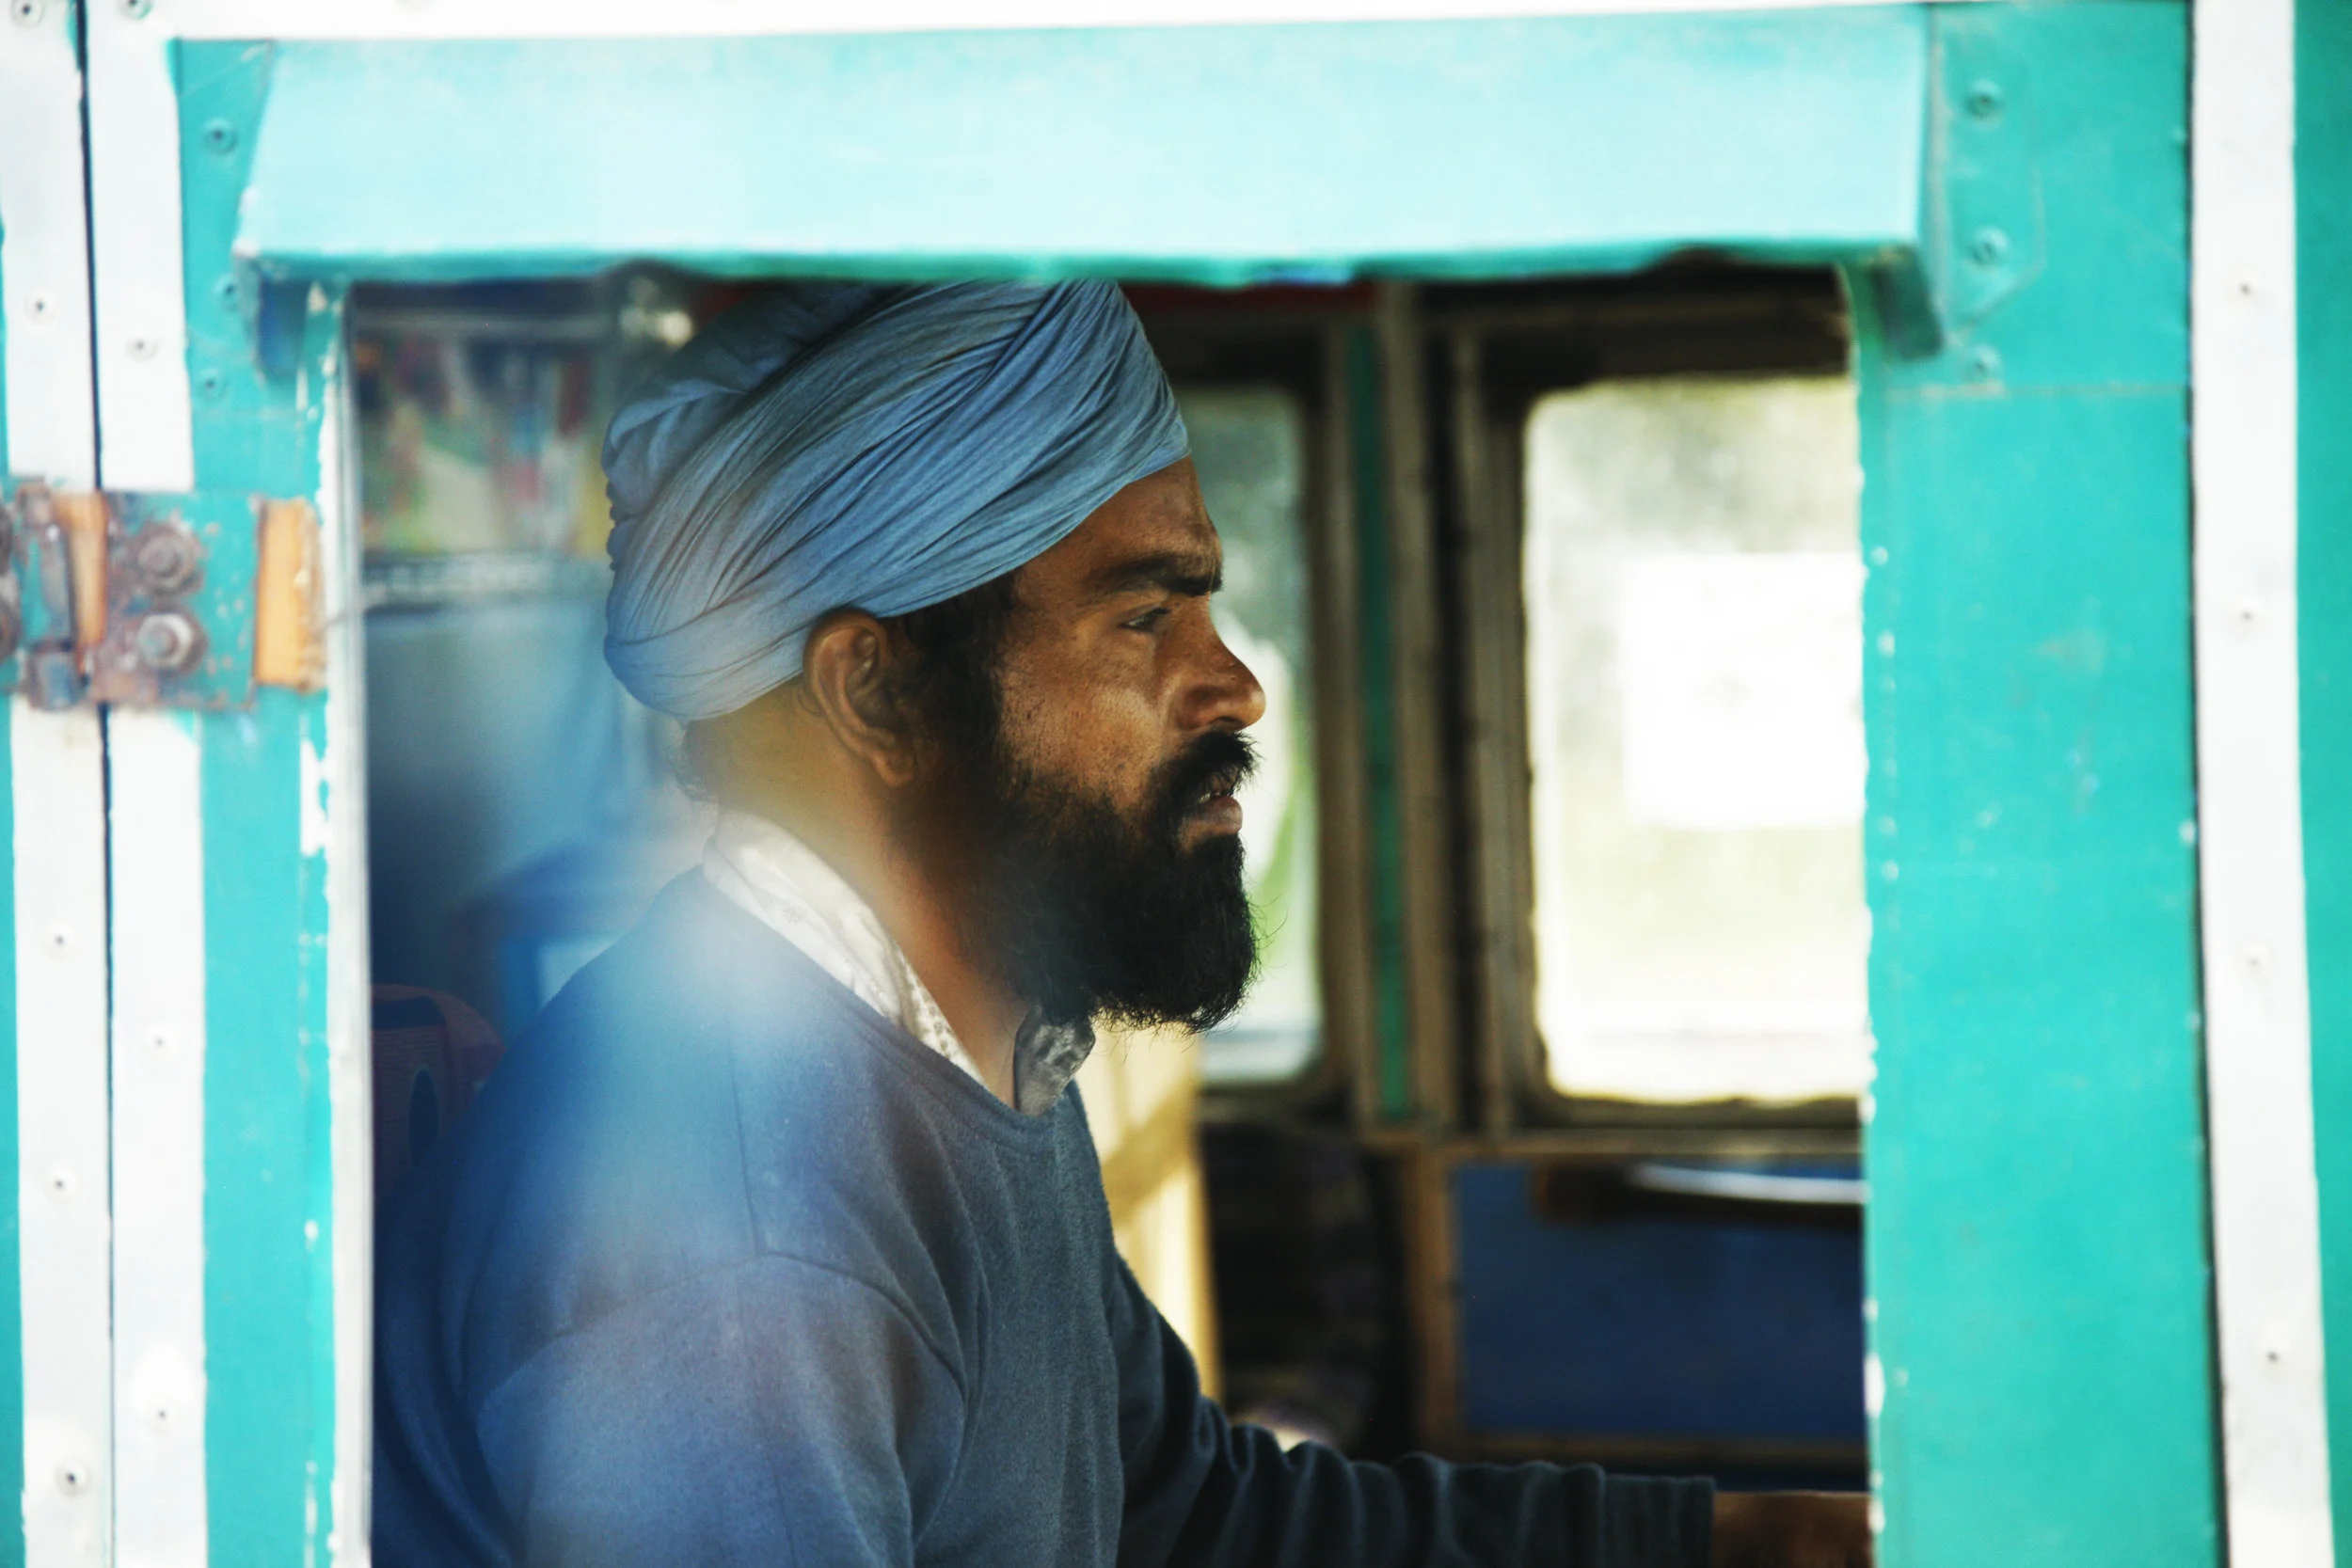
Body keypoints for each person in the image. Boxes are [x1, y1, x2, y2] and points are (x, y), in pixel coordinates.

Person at [373, 280, 1873, 1568]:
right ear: (877, 691)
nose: (1238, 687)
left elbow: (1190, 1516)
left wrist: (1742, 1542)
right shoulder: (740, 1248)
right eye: (1145, 618)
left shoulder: (980, 1044)